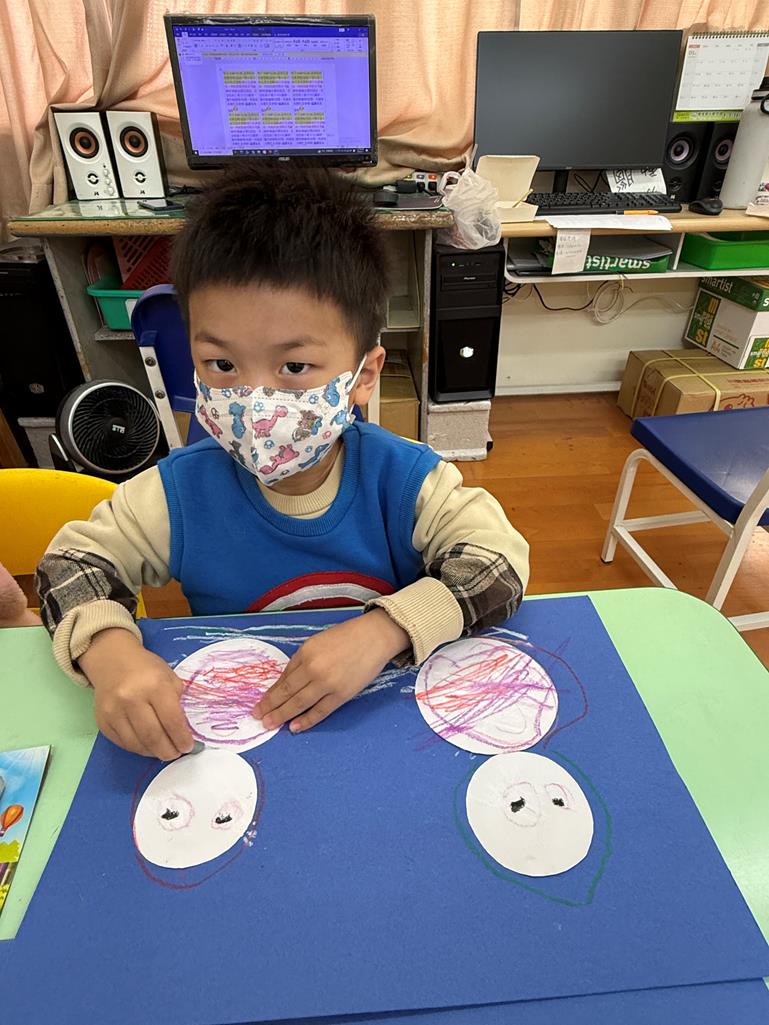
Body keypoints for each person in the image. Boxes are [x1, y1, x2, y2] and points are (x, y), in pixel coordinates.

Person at [36, 161, 529, 761]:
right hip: (236, 738)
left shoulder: (404, 480)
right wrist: (111, 654)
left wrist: (388, 629)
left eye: (294, 367)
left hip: (385, 729)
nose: (254, 400)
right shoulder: (180, 493)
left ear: (363, 375)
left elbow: (499, 564)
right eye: (222, 365)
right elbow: (70, 565)